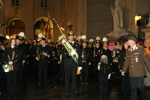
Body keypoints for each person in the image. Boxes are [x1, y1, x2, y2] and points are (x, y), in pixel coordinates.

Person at [121, 36, 150, 100]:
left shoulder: (140, 49)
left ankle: (145, 98)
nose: (127, 42)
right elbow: (127, 61)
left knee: (140, 86)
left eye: (128, 41)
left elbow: (147, 60)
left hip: (139, 72)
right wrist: (123, 70)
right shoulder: (128, 50)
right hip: (132, 72)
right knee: (133, 87)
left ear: (132, 41)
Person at [61, 30, 81, 98]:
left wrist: (79, 64)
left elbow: (79, 55)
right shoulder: (66, 45)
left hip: (74, 64)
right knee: (67, 79)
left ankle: (73, 92)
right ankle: (67, 92)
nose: (71, 37)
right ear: (68, 37)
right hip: (67, 64)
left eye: (72, 36)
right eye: (70, 36)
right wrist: (68, 54)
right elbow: (63, 55)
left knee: (74, 79)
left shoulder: (77, 45)